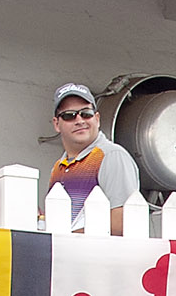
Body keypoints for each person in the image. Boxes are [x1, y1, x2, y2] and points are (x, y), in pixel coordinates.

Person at [48, 83, 140, 233]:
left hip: (98, 255)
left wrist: (67, 239)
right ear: (57, 124)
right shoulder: (58, 167)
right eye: (69, 115)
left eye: (86, 113)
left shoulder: (112, 156)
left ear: (97, 119)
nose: (79, 120)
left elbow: (122, 223)